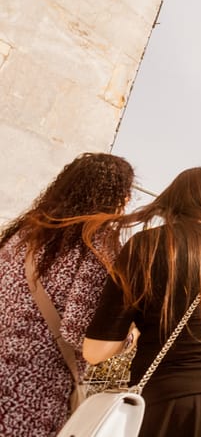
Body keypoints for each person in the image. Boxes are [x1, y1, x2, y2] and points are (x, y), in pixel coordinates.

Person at [83, 167, 201, 437]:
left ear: (172, 198)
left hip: (173, 399)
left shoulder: (145, 245)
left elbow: (95, 351)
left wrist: (132, 338)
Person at [0, 153, 134, 437]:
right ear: (114, 196)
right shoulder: (97, 242)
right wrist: (129, 338)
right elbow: (79, 333)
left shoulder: (24, 232)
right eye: (126, 193)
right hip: (33, 396)